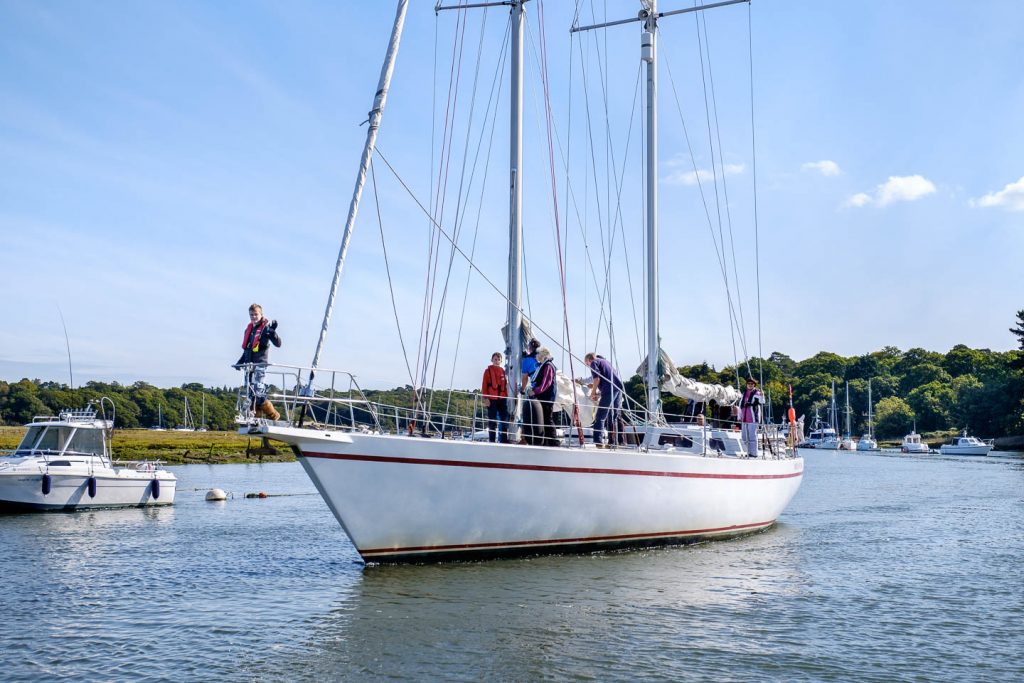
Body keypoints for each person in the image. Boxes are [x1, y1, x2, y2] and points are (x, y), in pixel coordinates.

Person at [235, 303, 282, 420]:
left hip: (260, 365)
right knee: (251, 394)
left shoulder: (265, 328)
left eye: (256, 314)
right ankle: (256, 419)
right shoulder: (249, 329)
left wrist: (272, 332)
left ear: (261, 314)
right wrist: (239, 362)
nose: (253, 317)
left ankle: (274, 415)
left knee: (258, 394)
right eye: (251, 315)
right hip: (249, 366)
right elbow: (247, 348)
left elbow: (278, 344)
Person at [584, 352, 624, 448]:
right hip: (618, 389)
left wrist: (593, 393)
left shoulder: (594, 363)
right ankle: (614, 443)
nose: (587, 366)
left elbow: (596, 379)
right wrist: (599, 393)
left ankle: (598, 442)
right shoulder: (606, 362)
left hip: (610, 389)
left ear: (589, 360)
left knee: (600, 416)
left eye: (586, 364)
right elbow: (608, 379)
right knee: (612, 416)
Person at [528, 346, 558, 447]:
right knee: (544, 419)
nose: (536, 356)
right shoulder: (544, 365)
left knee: (547, 419)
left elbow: (546, 383)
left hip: (547, 397)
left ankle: (554, 442)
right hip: (543, 397)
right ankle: (546, 442)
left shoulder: (548, 366)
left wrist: (535, 391)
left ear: (542, 355)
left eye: (538, 354)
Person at [481, 352, 509, 443]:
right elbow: (484, 385)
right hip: (491, 399)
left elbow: (506, 386)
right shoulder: (487, 371)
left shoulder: (504, 372)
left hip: (502, 399)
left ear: (501, 361)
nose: (497, 361)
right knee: (492, 421)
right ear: (492, 360)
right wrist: (485, 398)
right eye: (495, 359)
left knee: (504, 419)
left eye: (498, 359)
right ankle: (492, 440)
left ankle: (504, 440)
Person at [519, 338, 541, 444]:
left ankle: (524, 439)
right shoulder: (541, 358)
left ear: (529, 348)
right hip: (547, 388)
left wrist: (522, 390)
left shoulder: (527, 360)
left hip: (536, 388)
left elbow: (524, 378)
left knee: (528, 414)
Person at [740, 377, 763, 457]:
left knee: (752, 436)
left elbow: (762, 401)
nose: (750, 385)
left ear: (754, 385)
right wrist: (739, 417)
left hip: (753, 418)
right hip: (744, 419)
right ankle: (748, 452)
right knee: (744, 437)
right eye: (748, 384)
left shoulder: (757, 393)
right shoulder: (744, 393)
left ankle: (754, 453)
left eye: (751, 384)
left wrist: (762, 395)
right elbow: (741, 405)